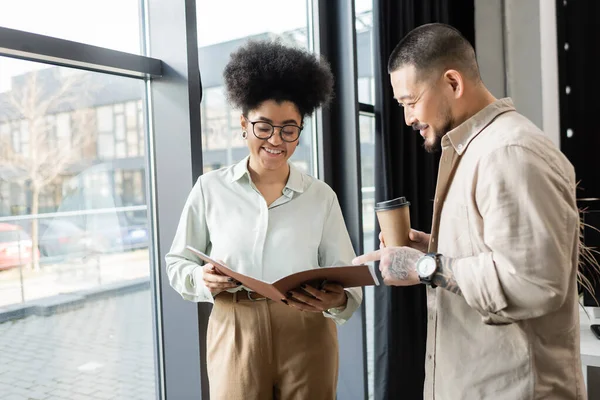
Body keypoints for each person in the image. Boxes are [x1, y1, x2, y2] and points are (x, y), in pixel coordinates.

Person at [353, 23, 585, 399]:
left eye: (411, 102)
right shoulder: (476, 150)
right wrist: (431, 251)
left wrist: (423, 268)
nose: (408, 118)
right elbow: (497, 253)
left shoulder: (509, 151)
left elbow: (534, 282)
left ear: (453, 83)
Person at [165, 40, 362, 400]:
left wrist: (336, 300)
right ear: (244, 123)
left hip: (307, 330)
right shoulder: (210, 189)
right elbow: (178, 262)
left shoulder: (321, 197)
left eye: (289, 129)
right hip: (235, 327)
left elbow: (347, 280)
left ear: (300, 132)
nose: (276, 140)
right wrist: (201, 278)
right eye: (264, 127)